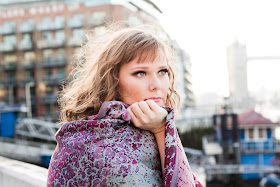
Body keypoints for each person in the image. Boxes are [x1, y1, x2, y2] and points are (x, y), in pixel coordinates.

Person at [47, 23, 202, 187]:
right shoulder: (85, 142)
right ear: (113, 80)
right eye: (140, 73)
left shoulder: (160, 125)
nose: (156, 85)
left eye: (162, 71)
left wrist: (161, 129)